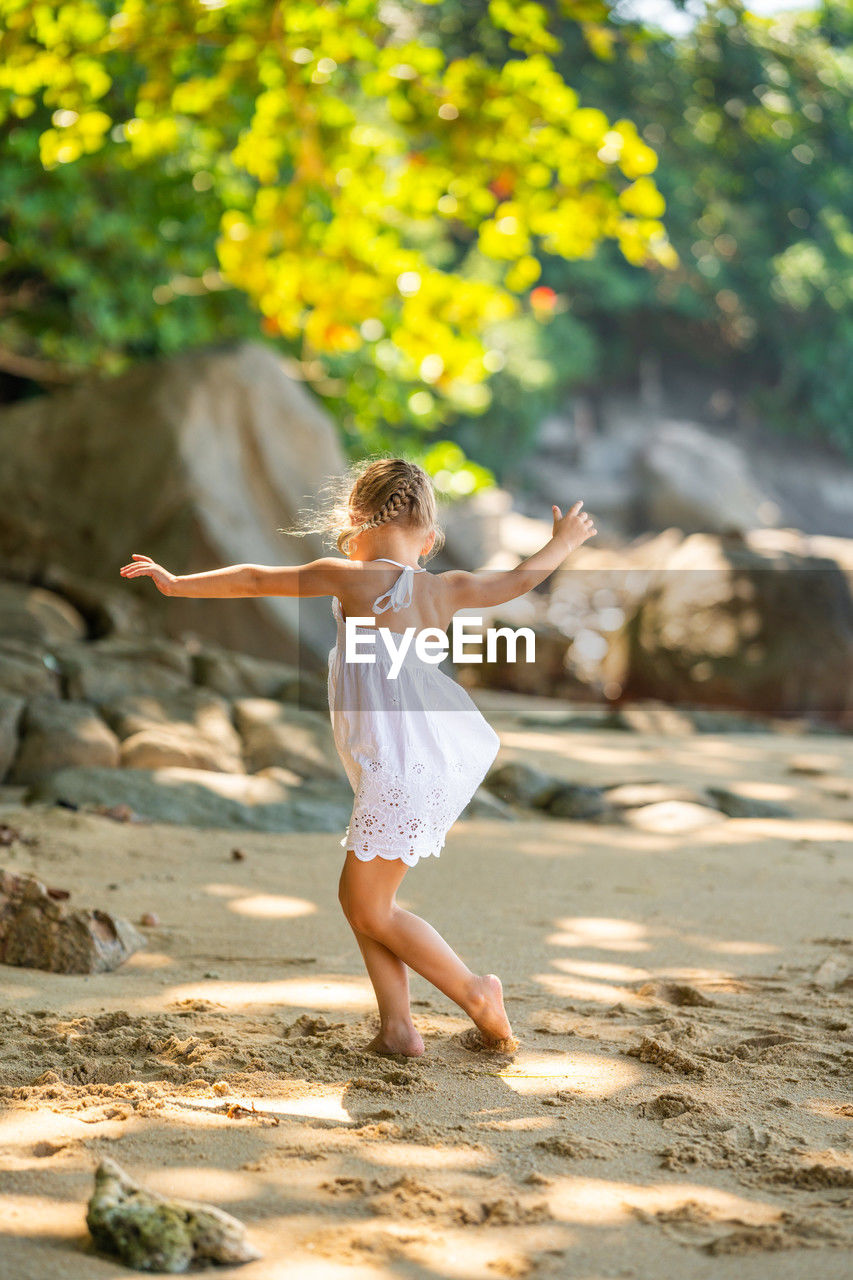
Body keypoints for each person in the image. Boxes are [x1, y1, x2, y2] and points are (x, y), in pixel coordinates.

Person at [120, 458, 596, 1056]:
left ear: (355, 519)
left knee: (370, 904)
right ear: (427, 537)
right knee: (366, 903)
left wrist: (177, 582)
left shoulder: (349, 577)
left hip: (399, 767)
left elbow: (255, 579)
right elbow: (522, 580)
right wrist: (562, 542)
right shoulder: (444, 589)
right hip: (422, 759)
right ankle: (398, 1027)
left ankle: (475, 991)